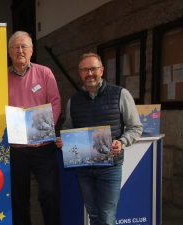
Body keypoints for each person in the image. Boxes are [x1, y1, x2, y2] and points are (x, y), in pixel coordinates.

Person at [55, 52, 143, 225]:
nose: (89, 74)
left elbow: (135, 127)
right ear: (80, 73)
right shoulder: (74, 100)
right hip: (84, 168)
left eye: (93, 69)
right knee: (93, 215)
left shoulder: (120, 94)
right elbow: (68, 129)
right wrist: (63, 141)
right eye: (84, 70)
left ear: (102, 70)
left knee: (107, 216)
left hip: (110, 167)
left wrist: (122, 142)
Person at [8, 31, 62, 225]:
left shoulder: (44, 72)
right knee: (18, 197)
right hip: (15, 149)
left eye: (24, 46)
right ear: (9, 52)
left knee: (50, 192)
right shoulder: (1, 77)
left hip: (44, 146)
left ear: (31, 50)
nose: (20, 50)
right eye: (15, 47)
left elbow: (55, 102)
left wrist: (44, 132)